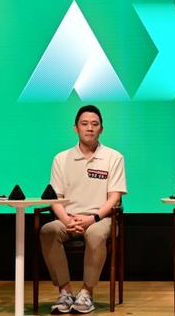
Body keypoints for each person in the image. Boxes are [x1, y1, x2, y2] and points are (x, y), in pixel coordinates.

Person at [39, 105, 127, 314]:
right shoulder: (61, 158)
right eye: (84, 124)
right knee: (48, 231)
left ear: (101, 129)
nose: (90, 128)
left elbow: (114, 197)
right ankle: (65, 292)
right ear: (75, 128)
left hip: (101, 219)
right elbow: (55, 198)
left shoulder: (114, 157)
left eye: (95, 124)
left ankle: (87, 292)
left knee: (95, 234)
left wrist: (92, 218)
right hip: (68, 218)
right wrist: (67, 220)